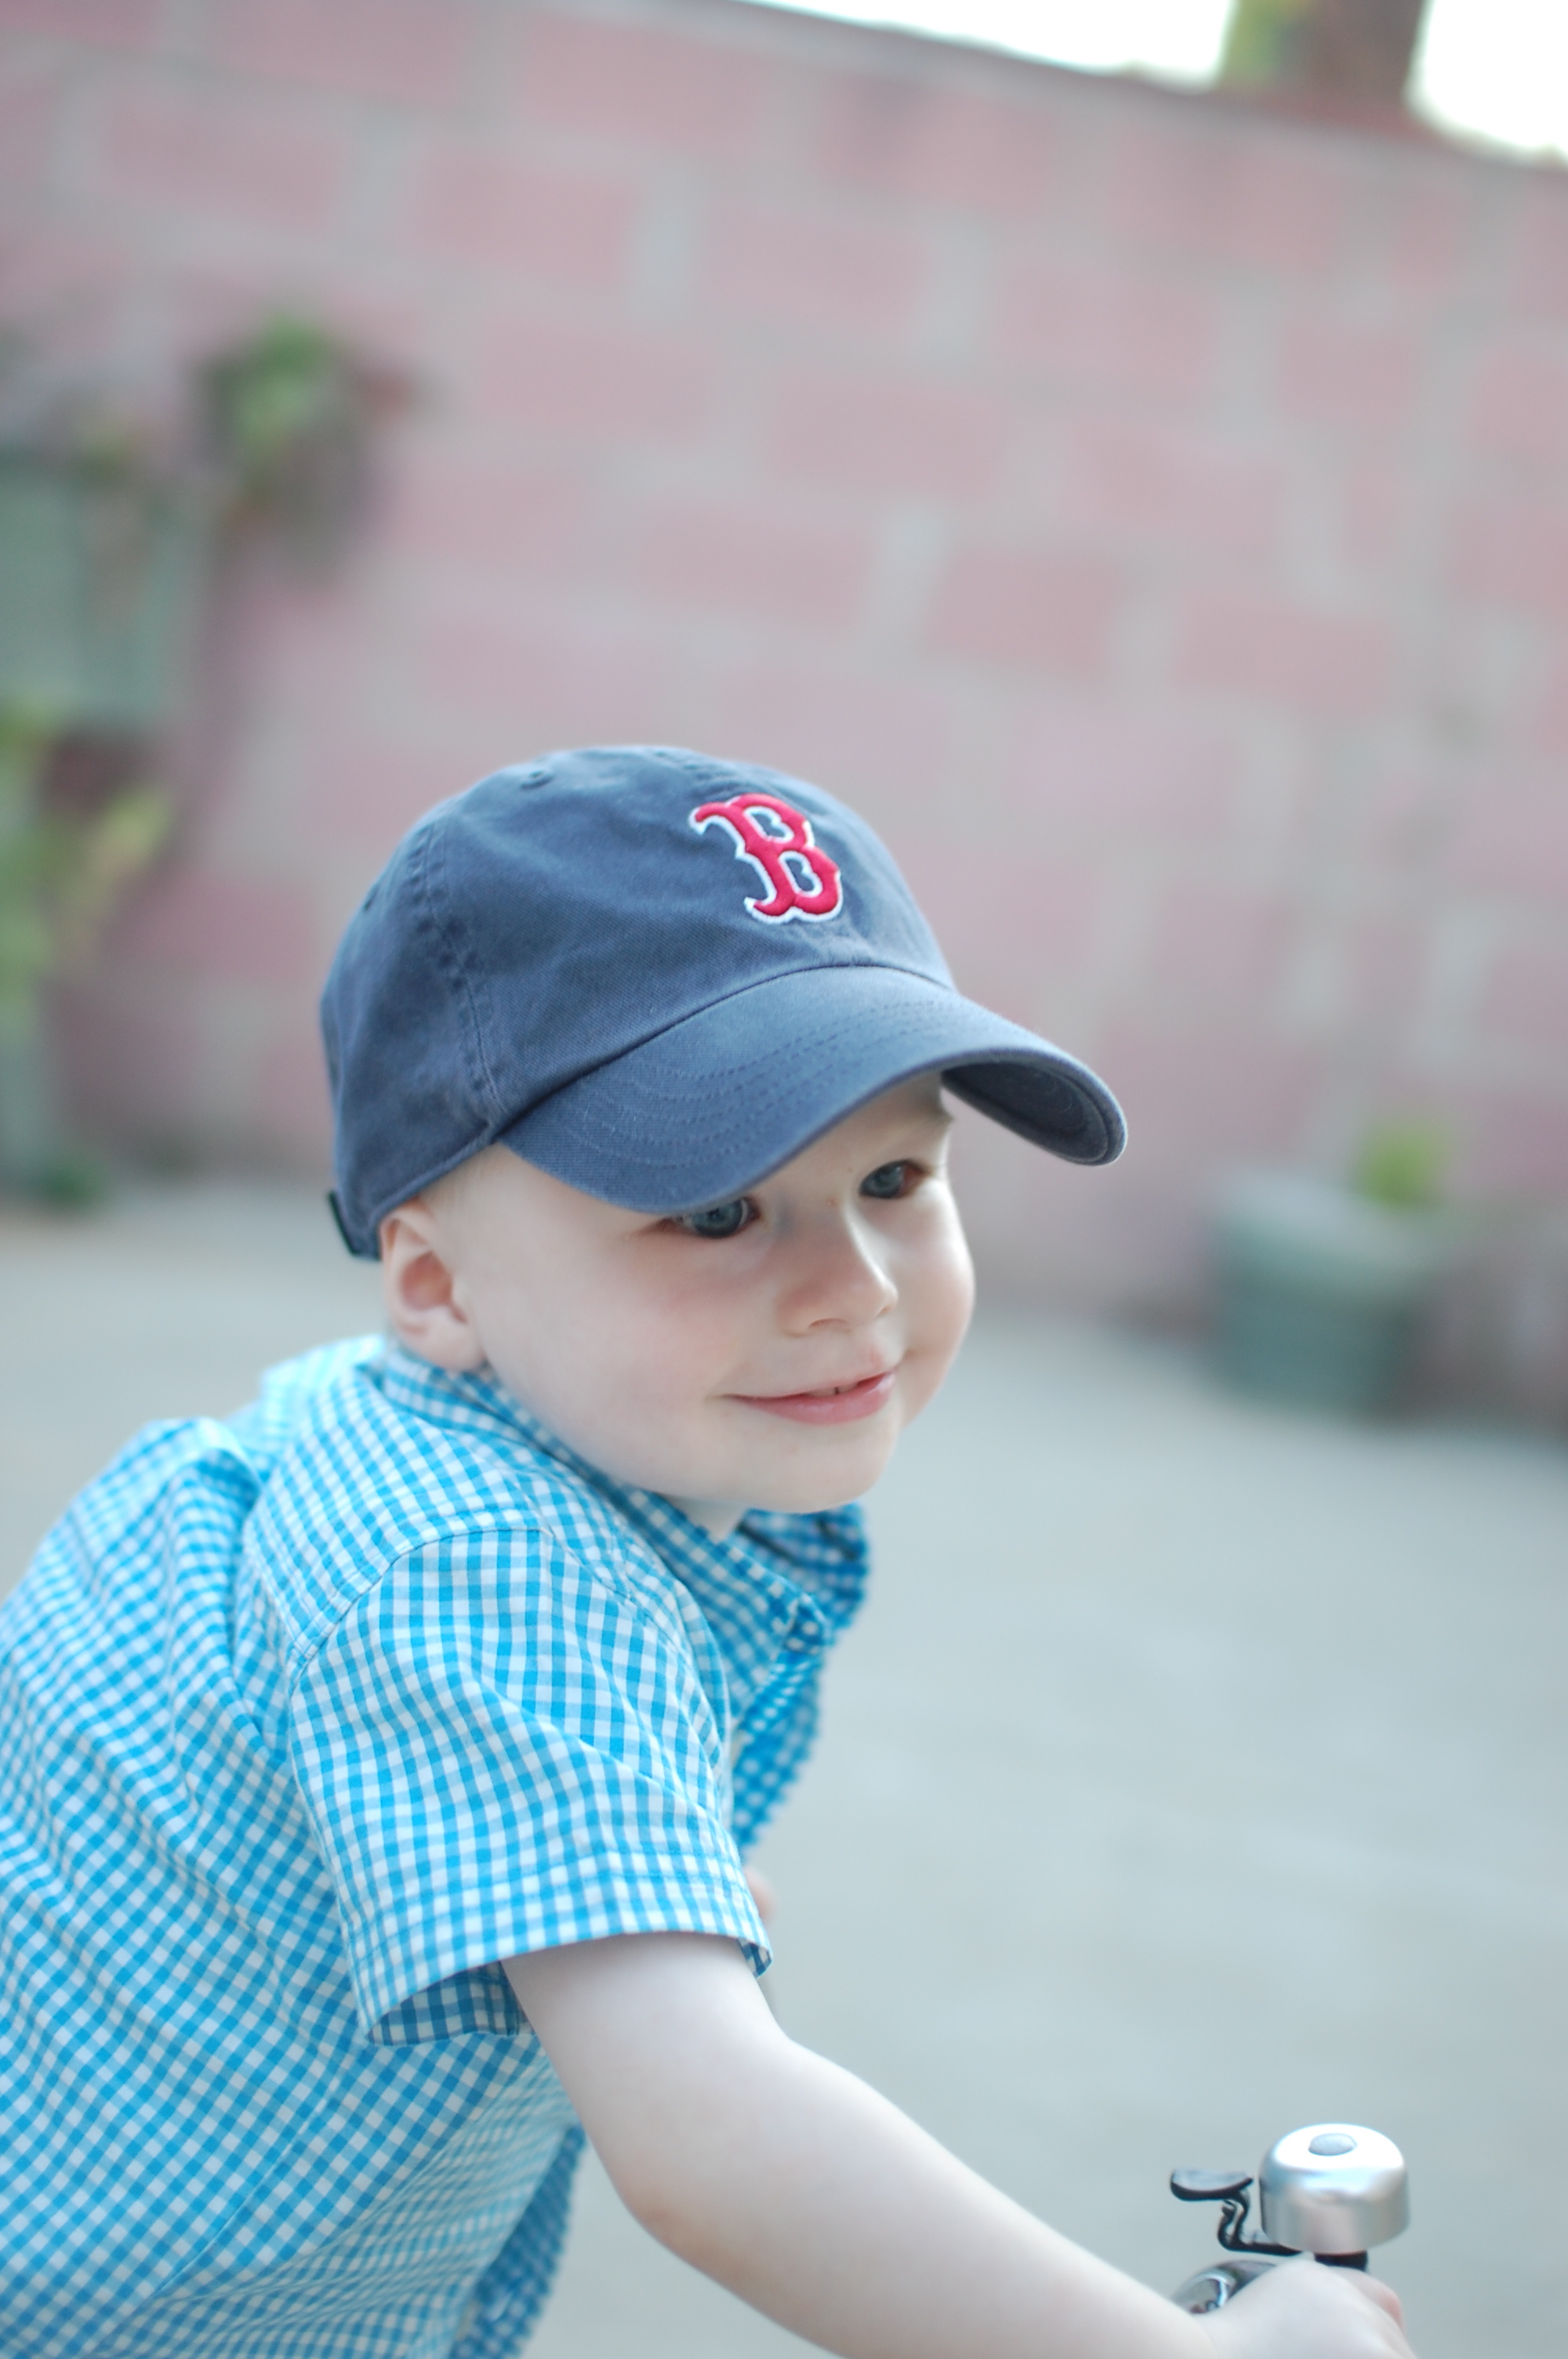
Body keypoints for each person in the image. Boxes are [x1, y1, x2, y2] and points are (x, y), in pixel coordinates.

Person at [0, 747, 1414, 2359]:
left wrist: (616, 1844)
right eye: (718, 1213)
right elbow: (714, 2145)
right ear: (438, 1285)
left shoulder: (377, 1435)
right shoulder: (478, 1565)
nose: (853, 1285)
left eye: (893, 1177)